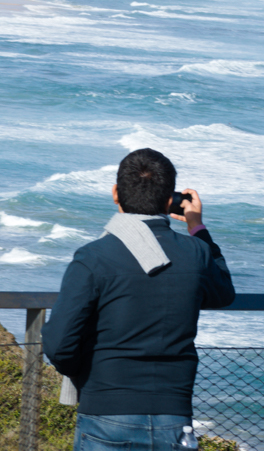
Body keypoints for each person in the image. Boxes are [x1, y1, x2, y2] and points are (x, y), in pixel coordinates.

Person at [41, 146, 235, 451]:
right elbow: (223, 292)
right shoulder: (196, 253)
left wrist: (90, 374)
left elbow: (59, 344)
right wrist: (196, 225)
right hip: (174, 411)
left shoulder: (93, 257)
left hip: (105, 410)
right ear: (170, 199)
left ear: (115, 193)